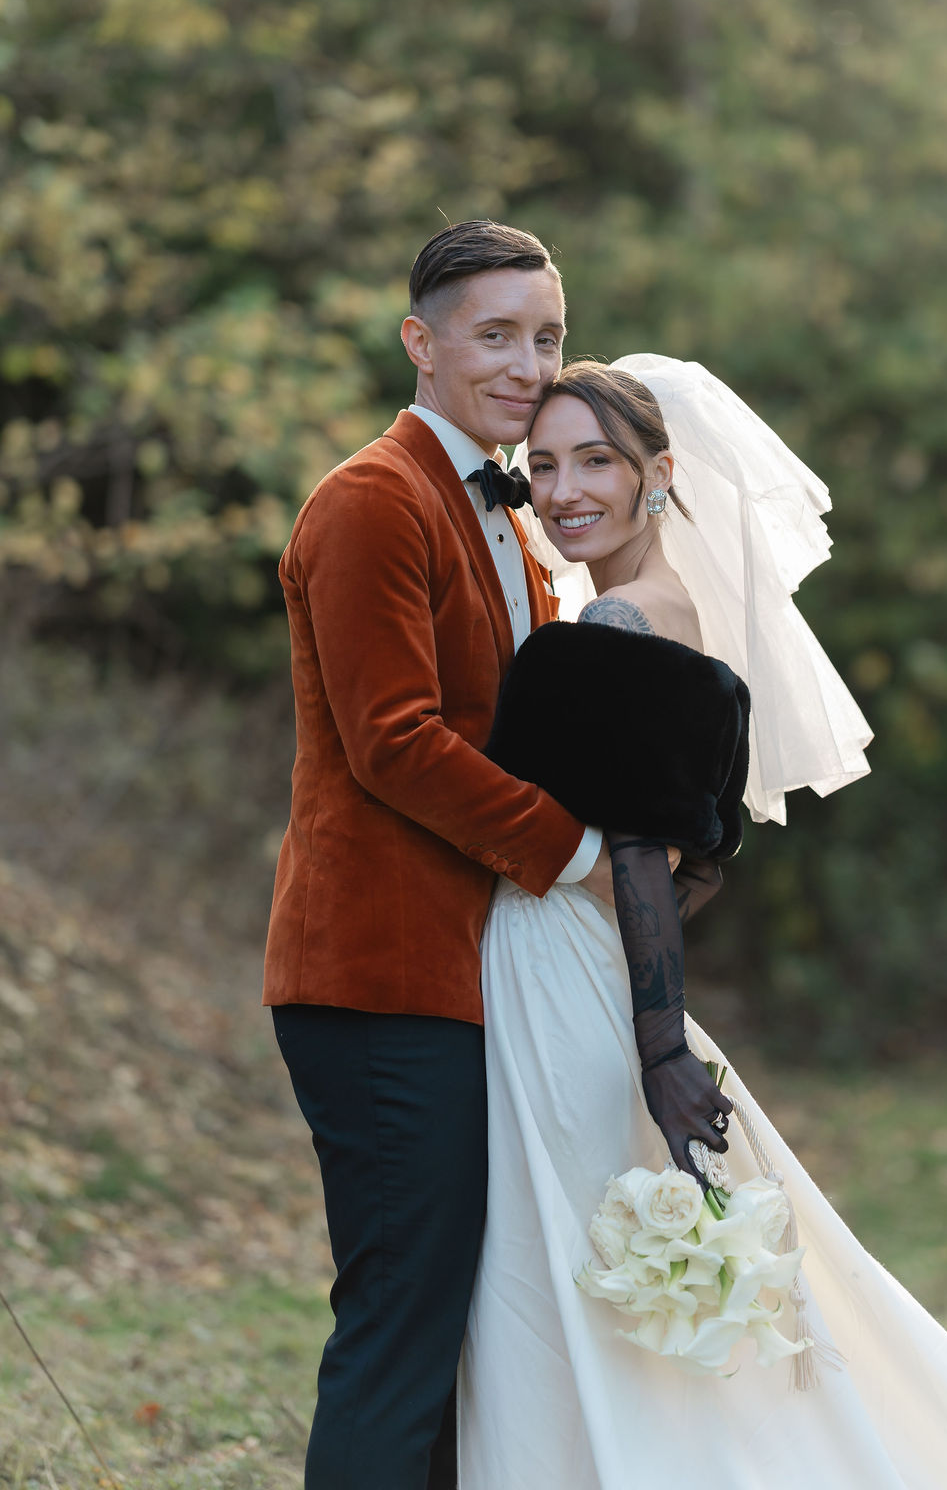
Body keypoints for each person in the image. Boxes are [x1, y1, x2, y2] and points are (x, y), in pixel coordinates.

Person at [457, 357, 947, 1488]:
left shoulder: (617, 618)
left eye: (597, 461)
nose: (563, 490)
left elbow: (639, 849)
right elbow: (698, 860)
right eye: (544, 464)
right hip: (589, 957)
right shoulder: (685, 621)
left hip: (553, 962)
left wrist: (661, 1043)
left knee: (554, 1249)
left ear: (658, 474)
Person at [263, 222, 618, 1490]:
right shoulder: (373, 500)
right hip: (377, 971)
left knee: (460, 1324)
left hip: (470, 972)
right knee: (402, 1319)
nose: (529, 365)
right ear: (420, 342)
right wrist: (577, 855)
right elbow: (395, 743)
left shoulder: (508, 517)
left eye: (548, 337)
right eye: (497, 335)